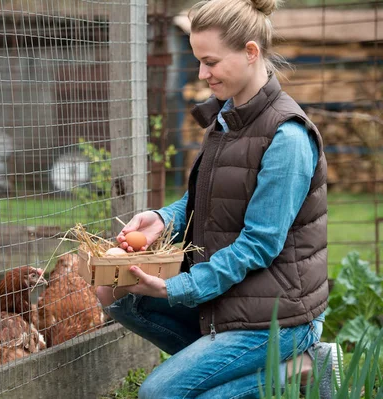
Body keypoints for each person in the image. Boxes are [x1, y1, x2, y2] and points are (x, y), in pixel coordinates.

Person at [96, 0, 342, 398]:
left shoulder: (287, 138)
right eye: (198, 61)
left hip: (278, 315)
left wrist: (177, 287)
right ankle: (217, 375)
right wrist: (164, 219)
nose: (201, 74)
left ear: (250, 52)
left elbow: (259, 244)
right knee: (119, 296)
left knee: (159, 394)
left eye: (210, 62)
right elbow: (206, 200)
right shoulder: (229, 118)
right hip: (232, 296)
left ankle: (304, 365)